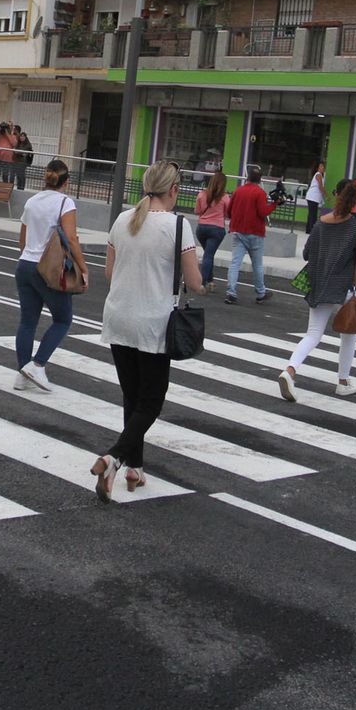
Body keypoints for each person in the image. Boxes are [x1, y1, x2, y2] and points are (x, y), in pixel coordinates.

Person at [93, 160, 205, 502]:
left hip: (118, 317)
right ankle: (114, 457)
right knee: (152, 401)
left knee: (132, 396)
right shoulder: (178, 226)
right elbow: (196, 283)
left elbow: (110, 273)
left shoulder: (122, 219)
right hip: (153, 322)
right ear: (174, 190)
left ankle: (135, 468)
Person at [278, 180, 356, 401]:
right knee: (348, 335)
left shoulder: (320, 225)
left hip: (320, 285)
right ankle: (343, 381)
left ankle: (289, 371)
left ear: (336, 196)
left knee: (313, 334)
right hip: (347, 288)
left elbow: (307, 254)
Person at [13, 158, 88, 392]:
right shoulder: (65, 203)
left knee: (27, 322)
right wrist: (83, 268)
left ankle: (22, 375)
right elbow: (72, 238)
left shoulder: (32, 201)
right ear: (66, 181)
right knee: (63, 319)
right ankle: (38, 364)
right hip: (48, 269)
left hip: (24, 264)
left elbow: (22, 242)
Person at [224, 164, 278, 304]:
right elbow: (263, 212)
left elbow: (229, 211)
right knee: (257, 264)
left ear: (247, 178)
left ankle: (231, 292)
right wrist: (274, 205)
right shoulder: (260, 193)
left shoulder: (238, 191)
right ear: (259, 180)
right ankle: (260, 293)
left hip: (238, 230)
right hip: (255, 232)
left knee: (235, 263)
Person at [193, 170, 230, 288]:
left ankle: (210, 280)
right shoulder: (225, 197)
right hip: (217, 229)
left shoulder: (201, 194)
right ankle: (202, 283)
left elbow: (197, 211)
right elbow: (228, 214)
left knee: (208, 253)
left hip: (202, 228)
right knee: (209, 255)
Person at [304, 161, 326, 231]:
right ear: (318, 168)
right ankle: (311, 230)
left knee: (311, 214)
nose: (322, 167)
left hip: (314, 197)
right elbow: (320, 186)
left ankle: (308, 230)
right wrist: (327, 195)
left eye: (323, 166)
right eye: (321, 166)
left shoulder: (322, 175)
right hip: (312, 197)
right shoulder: (318, 175)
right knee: (313, 215)